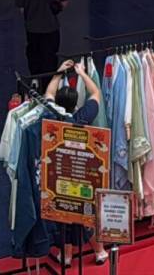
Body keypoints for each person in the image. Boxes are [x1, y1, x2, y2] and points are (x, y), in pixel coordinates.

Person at [44, 61, 106, 264]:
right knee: (86, 215)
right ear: (75, 104)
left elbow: (48, 94)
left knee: (63, 215)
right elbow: (95, 93)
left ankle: (67, 256)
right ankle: (99, 252)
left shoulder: (52, 116)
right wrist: (82, 73)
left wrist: (58, 73)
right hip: (81, 173)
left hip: (58, 173)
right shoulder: (81, 118)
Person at [15, 0, 70, 78]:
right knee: (50, 57)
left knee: (34, 57)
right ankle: (49, 83)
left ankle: (36, 81)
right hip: (51, 28)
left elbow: (21, 8)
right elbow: (65, 0)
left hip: (32, 29)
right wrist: (57, 8)